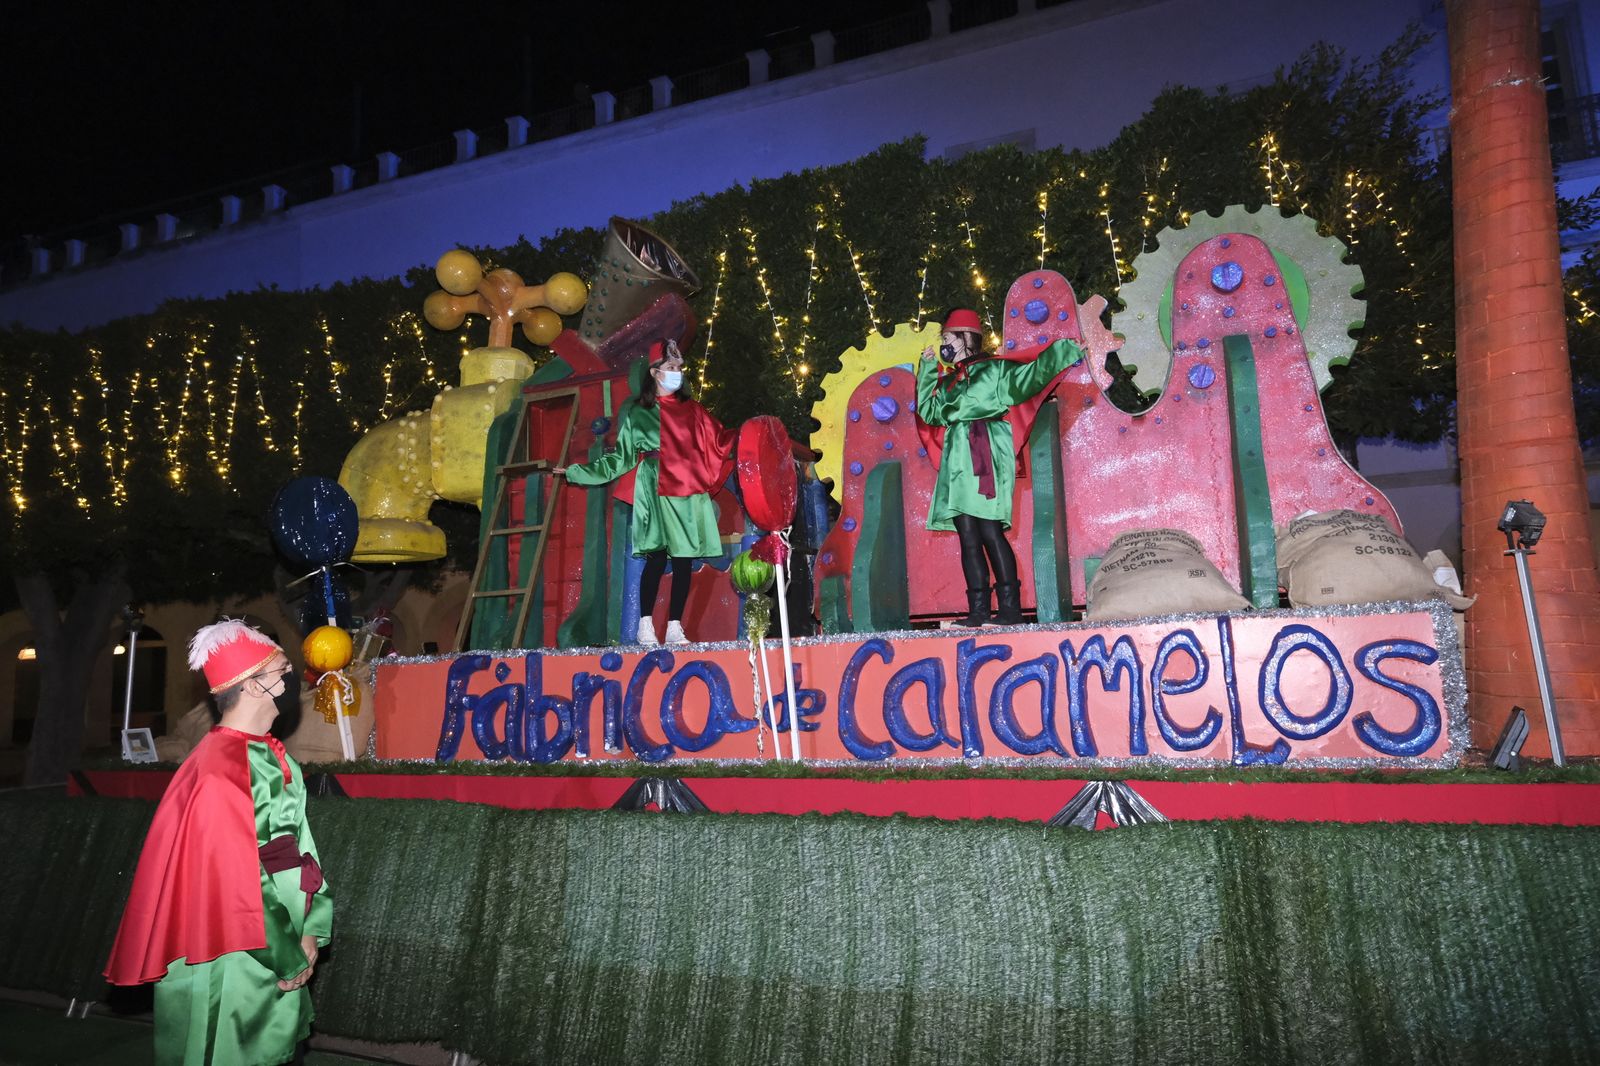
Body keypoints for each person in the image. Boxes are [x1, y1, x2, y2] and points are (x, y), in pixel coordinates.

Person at [105, 620, 333, 1065]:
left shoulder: (270, 754)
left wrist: (312, 927)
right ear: (252, 686)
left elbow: (303, 850)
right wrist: (287, 956)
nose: (291, 681)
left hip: (284, 932)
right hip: (237, 947)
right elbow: (236, 884)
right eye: (282, 671)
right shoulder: (218, 769)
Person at [557, 338, 735, 645]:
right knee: (656, 557)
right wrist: (577, 471)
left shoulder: (693, 410)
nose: (676, 372)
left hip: (686, 486)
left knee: (682, 560)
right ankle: (645, 625)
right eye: (670, 367)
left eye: (679, 367)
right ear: (654, 372)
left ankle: (676, 627)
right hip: (653, 485)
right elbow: (621, 458)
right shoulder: (639, 413)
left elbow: (721, 440)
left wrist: (751, 434)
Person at [917, 308, 1084, 626]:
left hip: (986, 454)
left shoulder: (994, 371)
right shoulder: (950, 382)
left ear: (967, 337)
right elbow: (930, 412)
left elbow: (1031, 377)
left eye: (948, 338)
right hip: (958, 461)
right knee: (967, 535)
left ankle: (1010, 610)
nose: (945, 344)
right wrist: (927, 371)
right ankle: (978, 612)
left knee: (990, 531)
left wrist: (1067, 350)